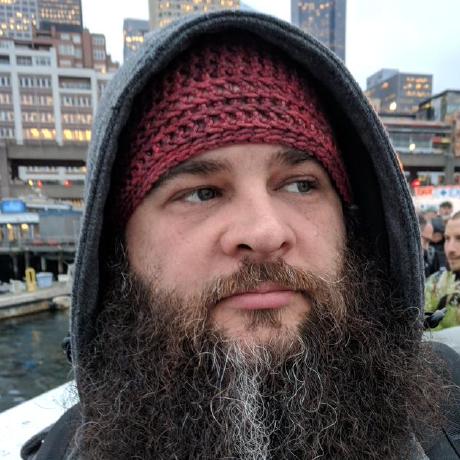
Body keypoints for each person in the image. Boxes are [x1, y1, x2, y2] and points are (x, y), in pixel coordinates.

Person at [21, 11, 460, 460]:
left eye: (300, 185)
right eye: (202, 193)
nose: (265, 232)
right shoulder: (62, 452)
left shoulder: (449, 410)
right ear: (117, 247)